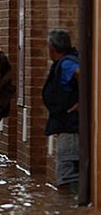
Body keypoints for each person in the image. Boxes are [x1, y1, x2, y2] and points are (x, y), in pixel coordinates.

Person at [42, 29, 80, 191]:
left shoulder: (66, 64)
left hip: (71, 129)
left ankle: (70, 212)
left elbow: (82, 75)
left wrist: (83, 102)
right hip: (68, 126)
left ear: (52, 47)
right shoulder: (65, 63)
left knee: (66, 179)